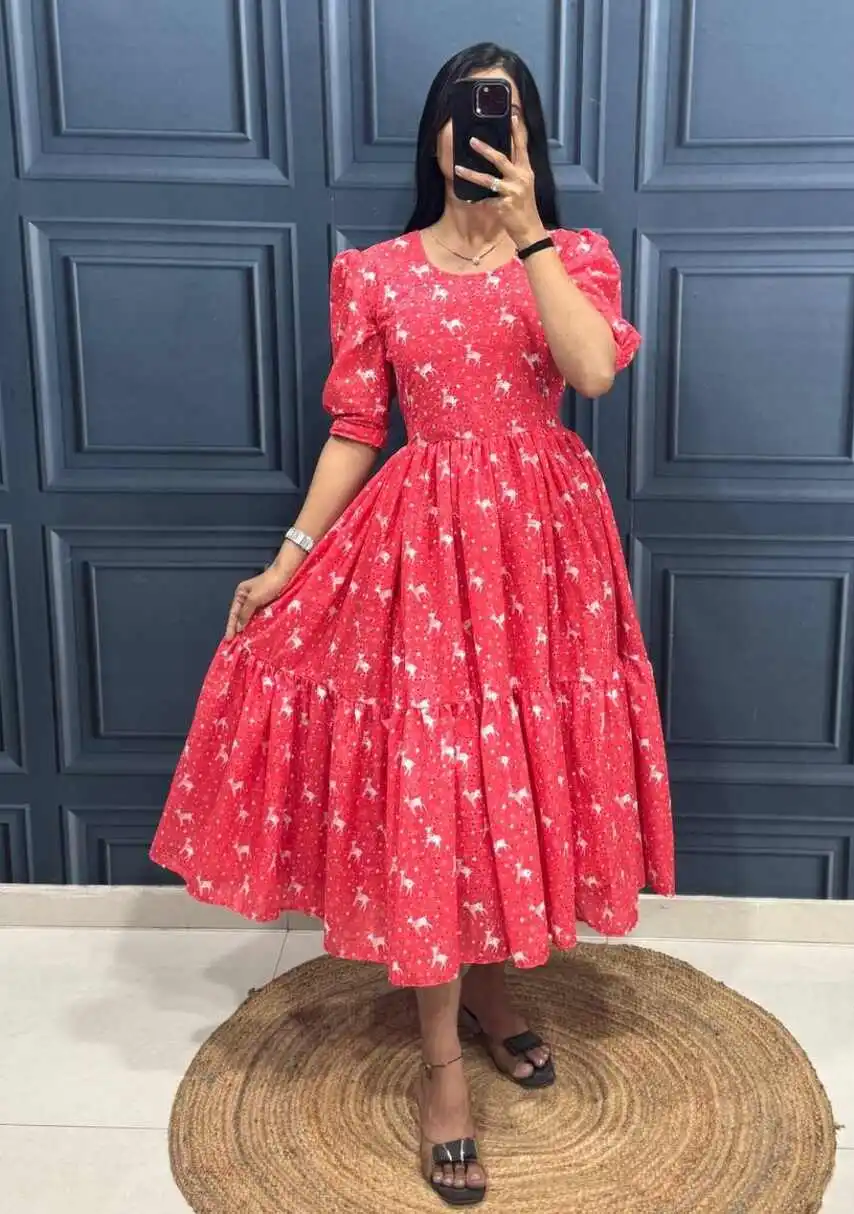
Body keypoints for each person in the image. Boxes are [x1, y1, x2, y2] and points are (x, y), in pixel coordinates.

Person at [151, 42, 674, 1207]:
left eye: (504, 114)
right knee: (442, 785)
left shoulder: (576, 254)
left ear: (526, 137)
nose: (479, 131)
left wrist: (530, 231)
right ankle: (441, 1068)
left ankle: (488, 986)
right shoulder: (374, 273)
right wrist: (289, 558)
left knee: (511, 776)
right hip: (427, 556)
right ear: (434, 133)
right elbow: (357, 427)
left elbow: (591, 372)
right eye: (464, 111)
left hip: (546, 555)